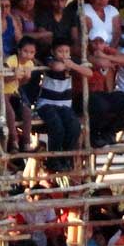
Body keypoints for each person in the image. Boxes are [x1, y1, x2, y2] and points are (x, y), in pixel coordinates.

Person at [37, 39, 89, 171]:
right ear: (53, 52)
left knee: (74, 126)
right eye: (60, 51)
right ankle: (53, 160)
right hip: (47, 104)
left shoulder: (72, 62)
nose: (64, 54)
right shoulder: (49, 59)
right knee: (57, 127)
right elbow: (57, 67)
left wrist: (73, 65)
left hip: (64, 105)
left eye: (66, 51)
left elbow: (89, 72)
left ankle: (66, 158)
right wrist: (69, 64)